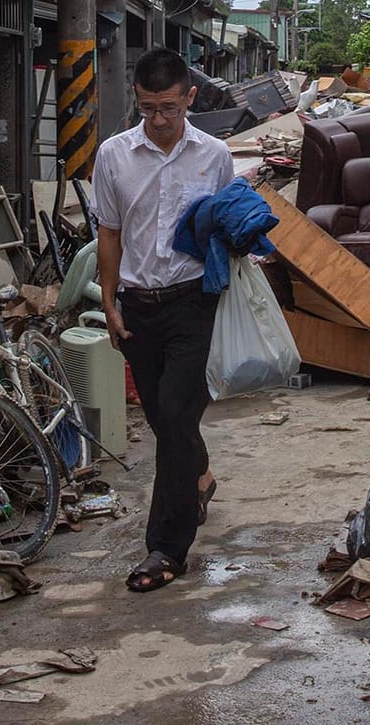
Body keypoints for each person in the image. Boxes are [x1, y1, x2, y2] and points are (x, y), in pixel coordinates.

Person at [91, 47, 233, 592]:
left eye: (169, 108)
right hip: (137, 305)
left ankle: (166, 549)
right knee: (165, 420)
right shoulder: (114, 156)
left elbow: (224, 230)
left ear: (190, 98)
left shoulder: (215, 156)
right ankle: (201, 475)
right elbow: (109, 232)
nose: (158, 119)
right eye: (148, 108)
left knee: (174, 412)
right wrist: (109, 301)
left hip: (193, 303)